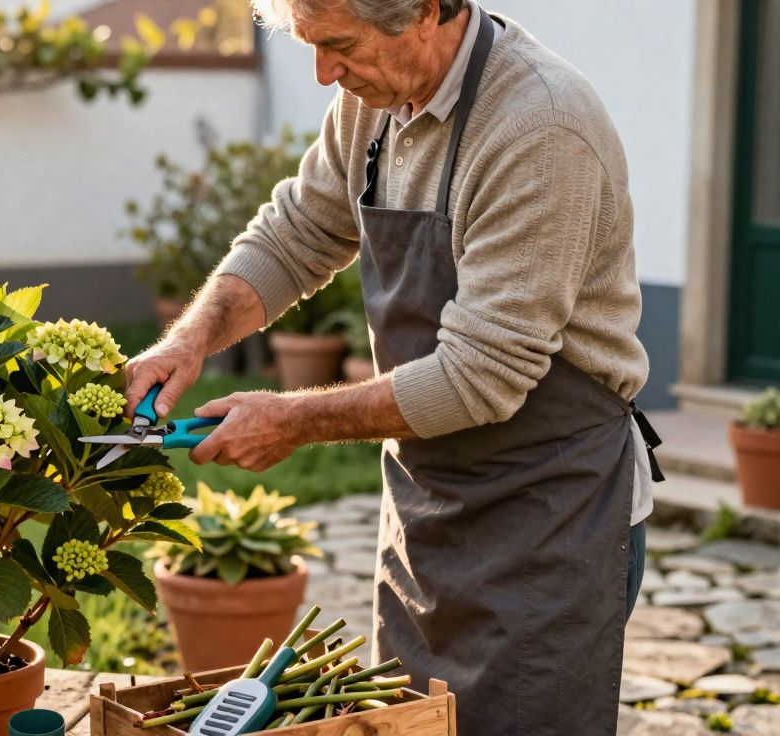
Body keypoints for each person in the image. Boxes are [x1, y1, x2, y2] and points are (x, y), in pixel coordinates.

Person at [122, 1, 662, 733]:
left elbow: (481, 375)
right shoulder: (371, 102)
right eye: (311, 47)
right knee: (407, 721)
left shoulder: (540, 126)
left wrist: (290, 421)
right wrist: (189, 339)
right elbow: (297, 233)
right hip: (429, 500)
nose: (323, 75)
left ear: (428, 12)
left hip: (550, 510)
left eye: (339, 46)